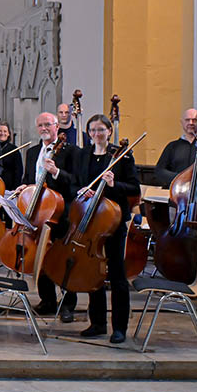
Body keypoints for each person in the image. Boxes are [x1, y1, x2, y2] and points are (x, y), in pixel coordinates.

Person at [69, 114, 139, 344]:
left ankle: (119, 327)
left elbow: (133, 188)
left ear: (109, 131)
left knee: (117, 274)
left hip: (113, 222)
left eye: (101, 130)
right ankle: (97, 322)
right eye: (93, 131)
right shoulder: (83, 155)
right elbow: (74, 183)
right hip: (90, 219)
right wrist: (81, 190)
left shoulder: (122, 156)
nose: (97, 134)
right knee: (93, 270)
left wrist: (113, 184)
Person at [23, 111, 82, 320]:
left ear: (57, 127)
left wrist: (57, 172)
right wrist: (23, 187)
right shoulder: (32, 153)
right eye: (40, 125)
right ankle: (47, 300)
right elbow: (28, 179)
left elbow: (77, 182)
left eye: (48, 124)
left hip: (61, 213)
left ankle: (68, 305)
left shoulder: (72, 152)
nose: (44, 129)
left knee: (63, 259)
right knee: (42, 257)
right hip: (38, 214)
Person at [153, 108, 197, 186]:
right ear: (182, 122)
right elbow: (159, 171)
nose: (191, 123)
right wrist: (181, 178)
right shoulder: (172, 146)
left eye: (195, 120)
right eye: (187, 120)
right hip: (178, 193)